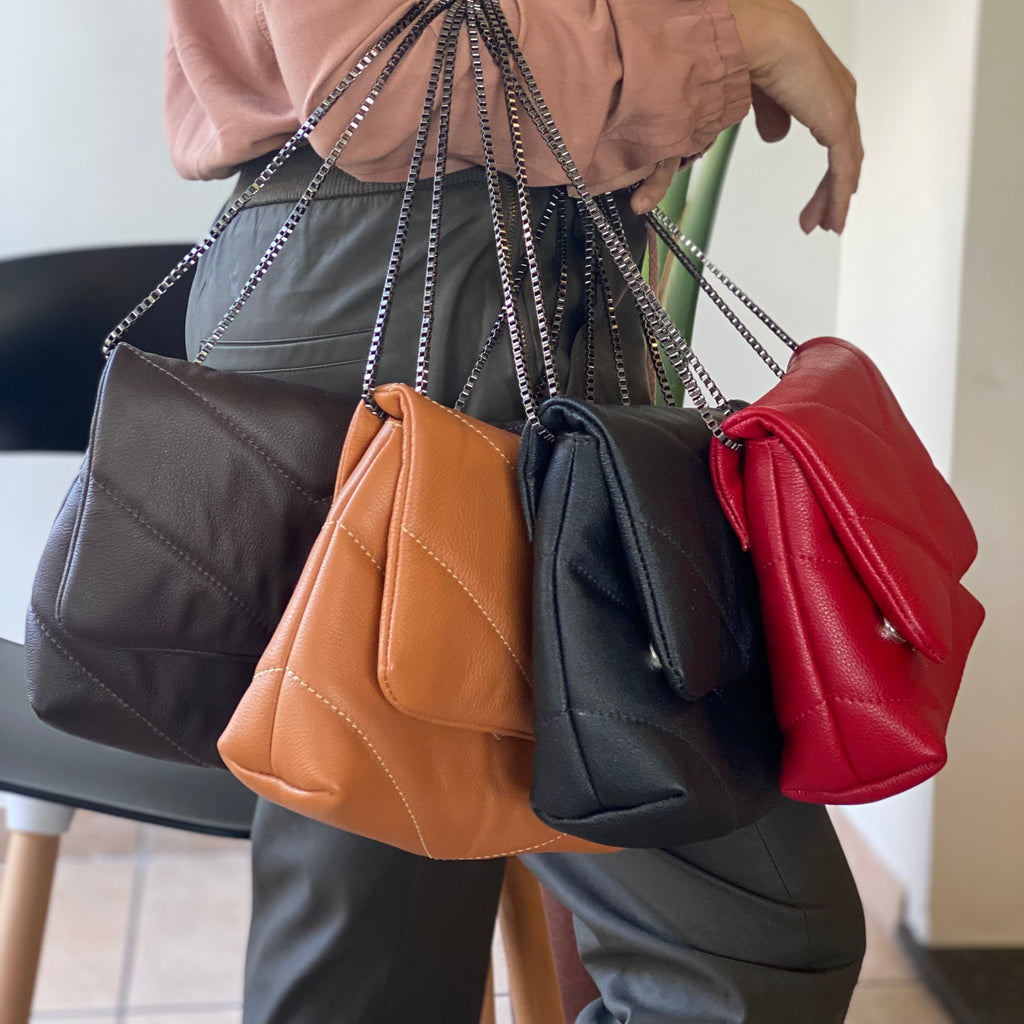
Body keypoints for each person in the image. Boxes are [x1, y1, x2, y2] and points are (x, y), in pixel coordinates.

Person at [167, 0, 866, 1020]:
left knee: (379, 954)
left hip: (452, 276)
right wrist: (730, 40)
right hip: (419, 275)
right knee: (750, 937)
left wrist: (661, 83)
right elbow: (378, 70)